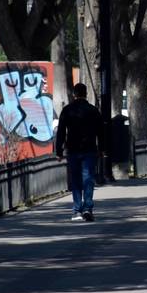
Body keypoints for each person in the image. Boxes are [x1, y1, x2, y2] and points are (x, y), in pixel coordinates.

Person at [56, 83, 105, 222]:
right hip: (89, 149)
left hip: (72, 149)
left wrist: (59, 151)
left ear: (74, 94)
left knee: (75, 180)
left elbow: (61, 132)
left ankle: (77, 210)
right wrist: (101, 149)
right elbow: (101, 132)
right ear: (86, 93)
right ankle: (88, 208)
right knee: (88, 179)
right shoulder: (93, 110)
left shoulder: (67, 110)